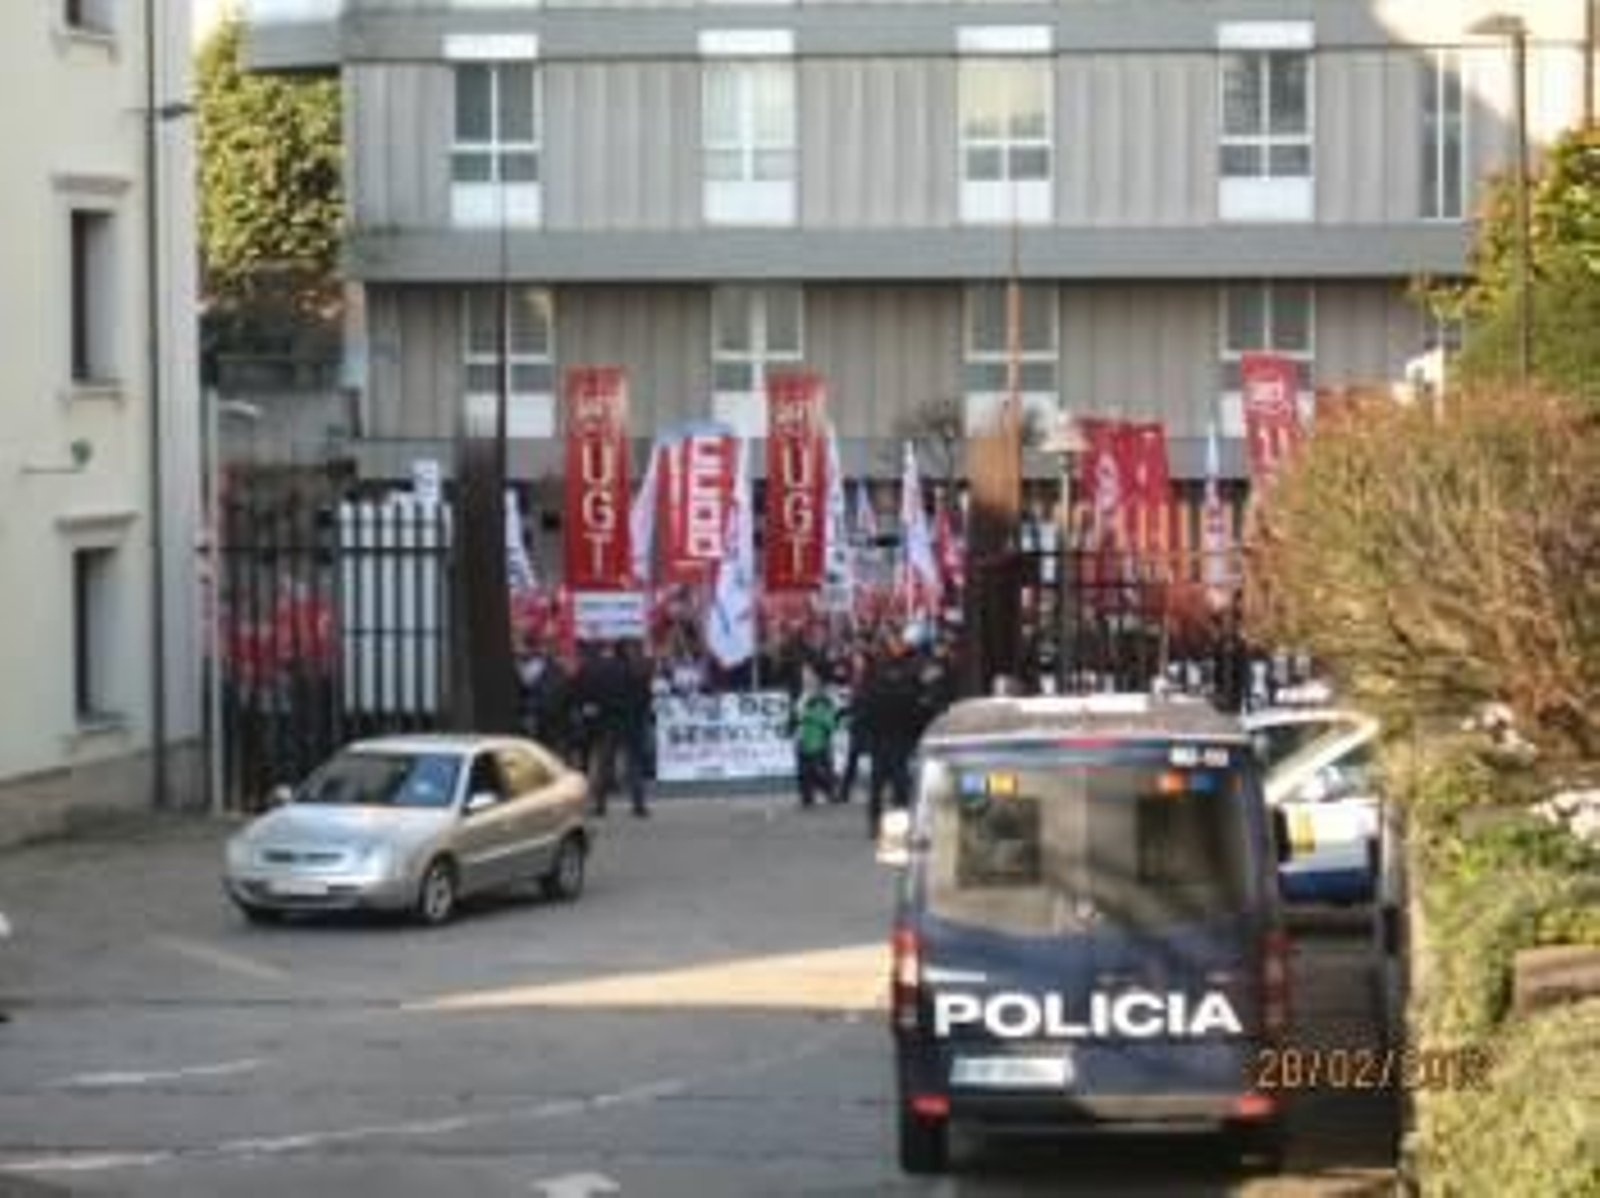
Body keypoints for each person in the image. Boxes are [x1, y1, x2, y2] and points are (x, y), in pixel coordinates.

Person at [857, 628, 925, 838]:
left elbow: (917, 701)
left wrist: (914, 731)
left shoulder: (911, 667)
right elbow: (865, 701)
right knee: (878, 784)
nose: (896, 645)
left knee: (900, 784)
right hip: (881, 734)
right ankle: (875, 823)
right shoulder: (875, 668)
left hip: (899, 735)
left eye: (898, 641)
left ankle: (900, 824)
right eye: (892, 641)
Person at [585, 640, 654, 819]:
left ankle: (600, 805)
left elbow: (595, 694)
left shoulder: (604, 670)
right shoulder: (637, 670)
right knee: (634, 765)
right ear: (626, 652)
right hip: (631, 722)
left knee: (604, 764)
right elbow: (645, 696)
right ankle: (639, 805)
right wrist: (639, 715)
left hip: (609, 721)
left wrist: (601, 712)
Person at [792, 665, 839, 809]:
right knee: (803, 770)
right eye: (804, 676)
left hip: (820, 736)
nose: (806, 679)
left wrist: (812, 717)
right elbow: (796, 714)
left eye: (809, 676)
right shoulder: (801, 693)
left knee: (819, 768)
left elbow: (834, 715)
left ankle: (829, 790)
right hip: (802, 736)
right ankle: (807, 796)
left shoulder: (825, 695)